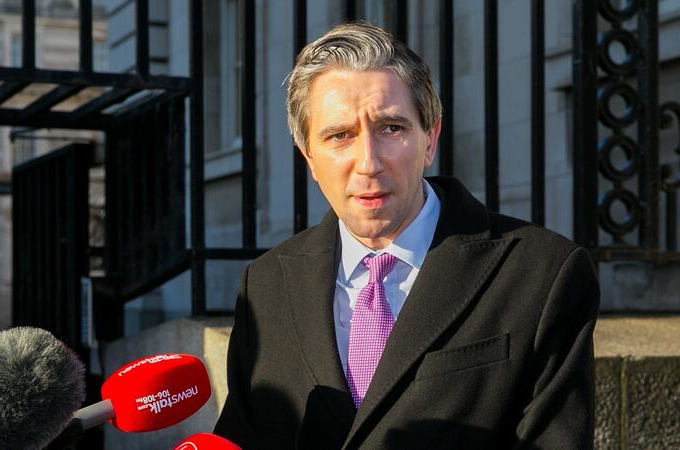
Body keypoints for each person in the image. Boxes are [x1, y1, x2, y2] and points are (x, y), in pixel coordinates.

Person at [214, 21, 599, 449]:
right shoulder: (265, 287)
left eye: (391, 129)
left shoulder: (542, 272)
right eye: (340, 136)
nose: (368, 162)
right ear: (309, 158)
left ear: (430, 138)